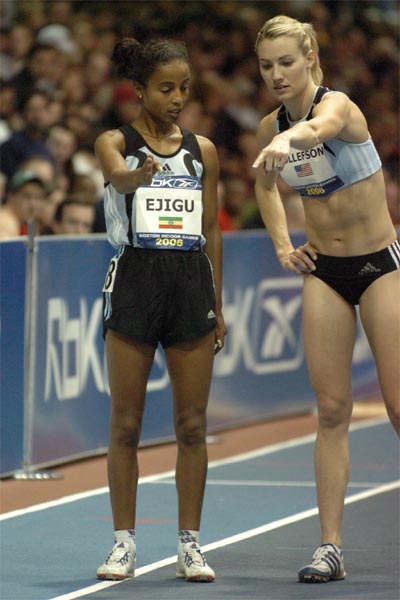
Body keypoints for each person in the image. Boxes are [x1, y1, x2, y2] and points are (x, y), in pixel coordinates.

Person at [252, 15, 399, 584]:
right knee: (332, 410)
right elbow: (266, 184)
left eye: (286, 62)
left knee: (396, 406)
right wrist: (284, 246)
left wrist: (289, 138)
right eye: (266, 66)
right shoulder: (271, 123)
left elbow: (317, 132)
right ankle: (330, 547)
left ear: (310, 56)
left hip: (379, 266)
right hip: (326, 272)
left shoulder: (341, 108)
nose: (276, 74)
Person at [94, 37, 226, 583]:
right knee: (126, 424)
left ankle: (190, 545)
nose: (177, 98)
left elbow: (211, 231)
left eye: (184, 89)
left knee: (191, 425)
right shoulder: (113, 141)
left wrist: (217, 304)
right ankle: (123, 544)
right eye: (166, 88)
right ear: (140, 89)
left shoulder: (205, 151)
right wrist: (137, 176)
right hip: (136, 282)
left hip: (190, 284)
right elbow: (118, 178)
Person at [0, 169, 48, 238]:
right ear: (11, 197)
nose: (33, 205)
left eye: (38, 197)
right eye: (26, 196)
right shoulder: (4, 223)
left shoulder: (30, 224)